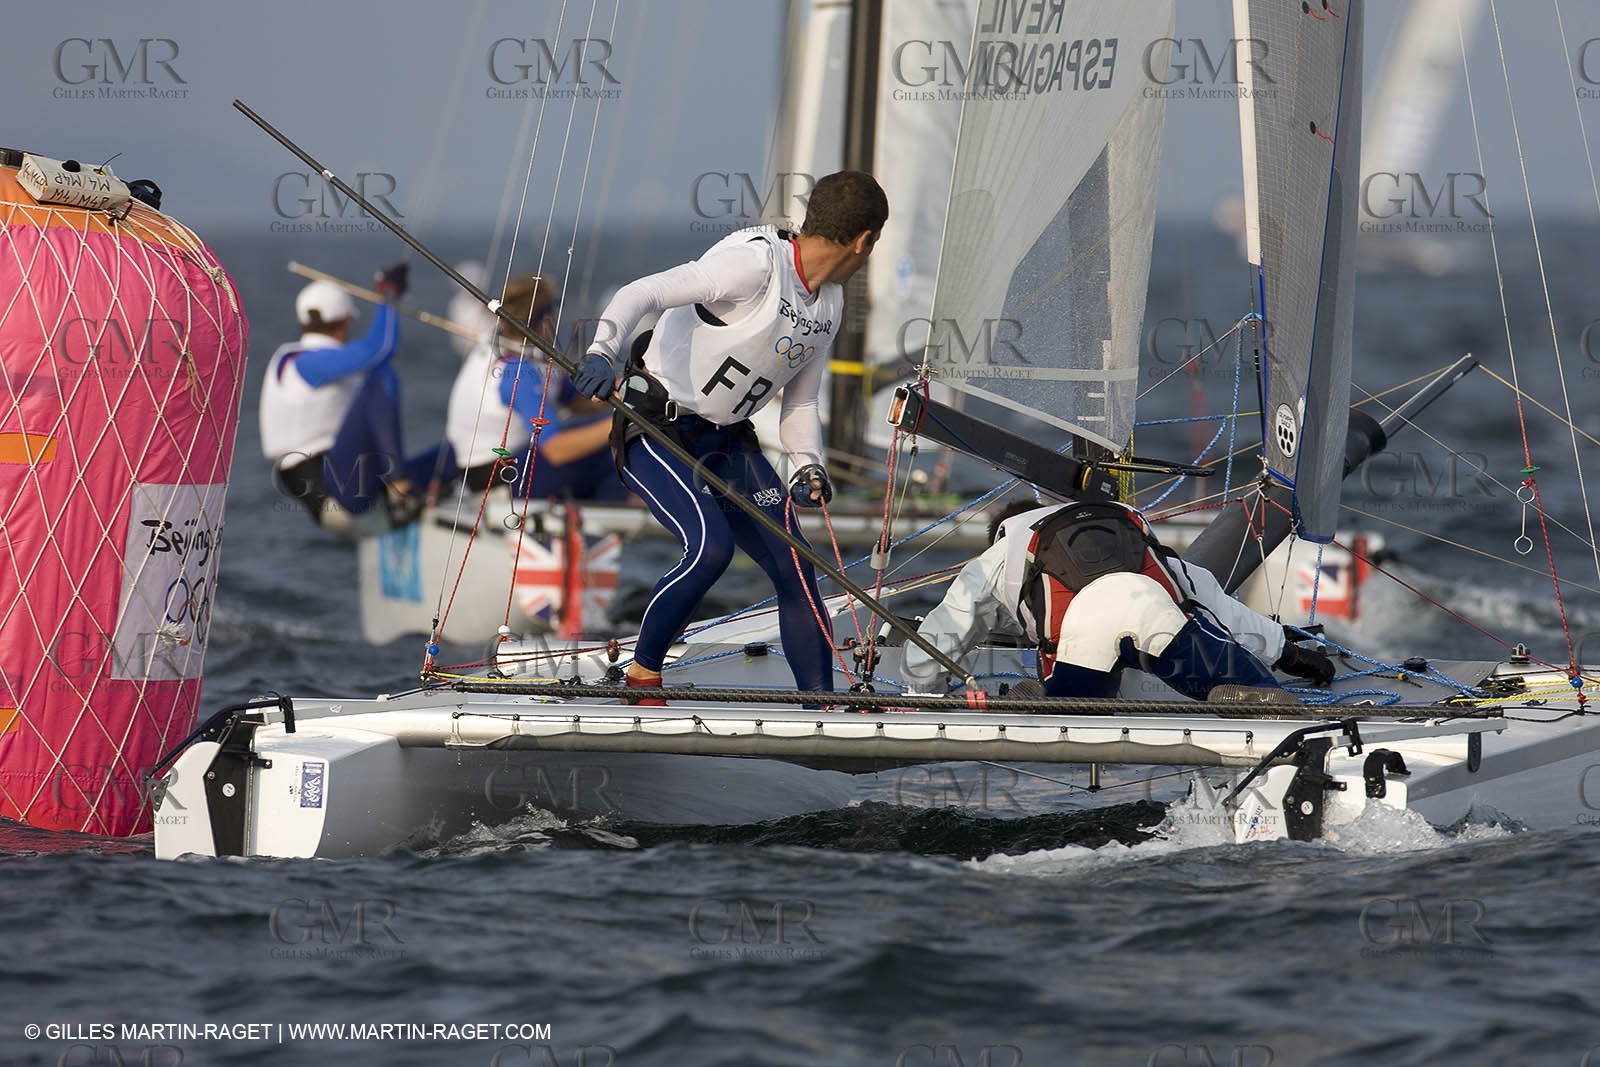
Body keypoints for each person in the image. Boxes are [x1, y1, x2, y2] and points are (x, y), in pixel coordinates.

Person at [571, 170, 889, 702]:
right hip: (657, 429)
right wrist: (603, 350)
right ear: (865, 241)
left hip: (727, 441)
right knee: (710, 550)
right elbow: (644, 291)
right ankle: (642, 676)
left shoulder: (828, 303)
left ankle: (823, 707)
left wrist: (808, 464)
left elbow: (802, 402)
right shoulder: (755, 264)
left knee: (797, 569)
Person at [901, 497, 1337, 700]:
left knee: (1079, 711)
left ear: (1000, 532)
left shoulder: (1000, 554)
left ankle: (1050, 700)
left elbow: (939, 639)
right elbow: (1219, 606)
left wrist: (923, 687)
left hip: (1080, 641)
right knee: (1258, 696)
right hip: (1155, 617)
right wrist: (1292, 656)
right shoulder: (1125, 528)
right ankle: (1235, 693)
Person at [260, 265, 434, 538]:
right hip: (333, 491)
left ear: (302, 321)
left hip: (342, 482)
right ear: (345, 320)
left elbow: (369, 353)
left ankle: (447, 487)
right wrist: (389, 296)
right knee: (380, 377)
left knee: (453, 456)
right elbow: (382, 349)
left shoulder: (293, 357)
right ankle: (401, 489)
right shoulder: (305, 363)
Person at [445, 273, 627, 501]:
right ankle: (610, 519)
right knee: (619, 442)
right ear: (542, 319)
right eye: (553, 309)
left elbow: (575, 401)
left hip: (507, 463)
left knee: (601, 430)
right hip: (498, 479)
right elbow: (555, 450)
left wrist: (623, 386)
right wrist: (623, 424)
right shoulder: (518, 373)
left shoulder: (505, 346)